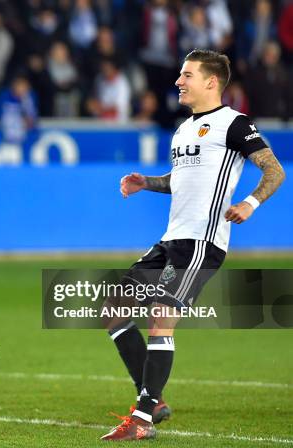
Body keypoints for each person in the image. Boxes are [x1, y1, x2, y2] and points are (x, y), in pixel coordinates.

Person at [101, 49, 285, 441]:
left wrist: (250, 203)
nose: (178, 82)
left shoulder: (234, 123)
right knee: (114, 308)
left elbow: (274, 169)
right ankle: (152, 399)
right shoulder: (185, 129)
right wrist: (146, 182)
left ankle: (143, 419)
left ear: (211, 82)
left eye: (186, 75)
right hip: (171, 240)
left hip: (202, 242)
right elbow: (181, 180)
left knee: (161, 319)